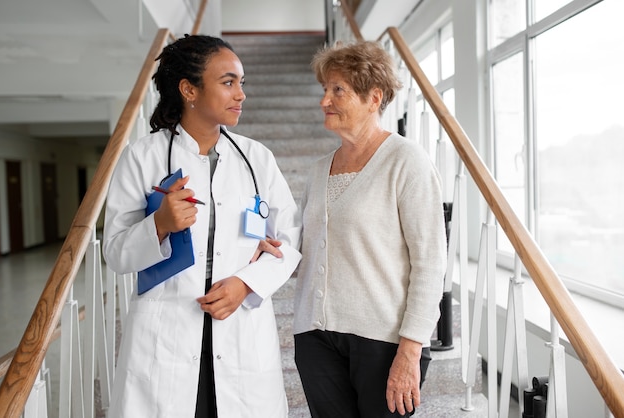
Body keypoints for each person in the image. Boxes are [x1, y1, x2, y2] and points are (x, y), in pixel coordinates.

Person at [103, 34, 302, 418]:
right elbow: (115, 251)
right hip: (169, 330)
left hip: (238, 321)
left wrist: (246, 283)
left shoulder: (256, 159)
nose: (240, 94)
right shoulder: (142, 158)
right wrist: (159, 224)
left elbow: (289, 240)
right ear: (188, 89)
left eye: (242, 83)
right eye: (228, 83)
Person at [293, 40, 447, 418]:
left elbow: (430, 263)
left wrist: (411, 349)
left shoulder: (406, 161)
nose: (324, 100)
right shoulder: (317, 170)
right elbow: (304, 251)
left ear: (373, 97)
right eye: (325, 90)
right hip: (314, 337)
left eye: (337, 90)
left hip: (386, 341)